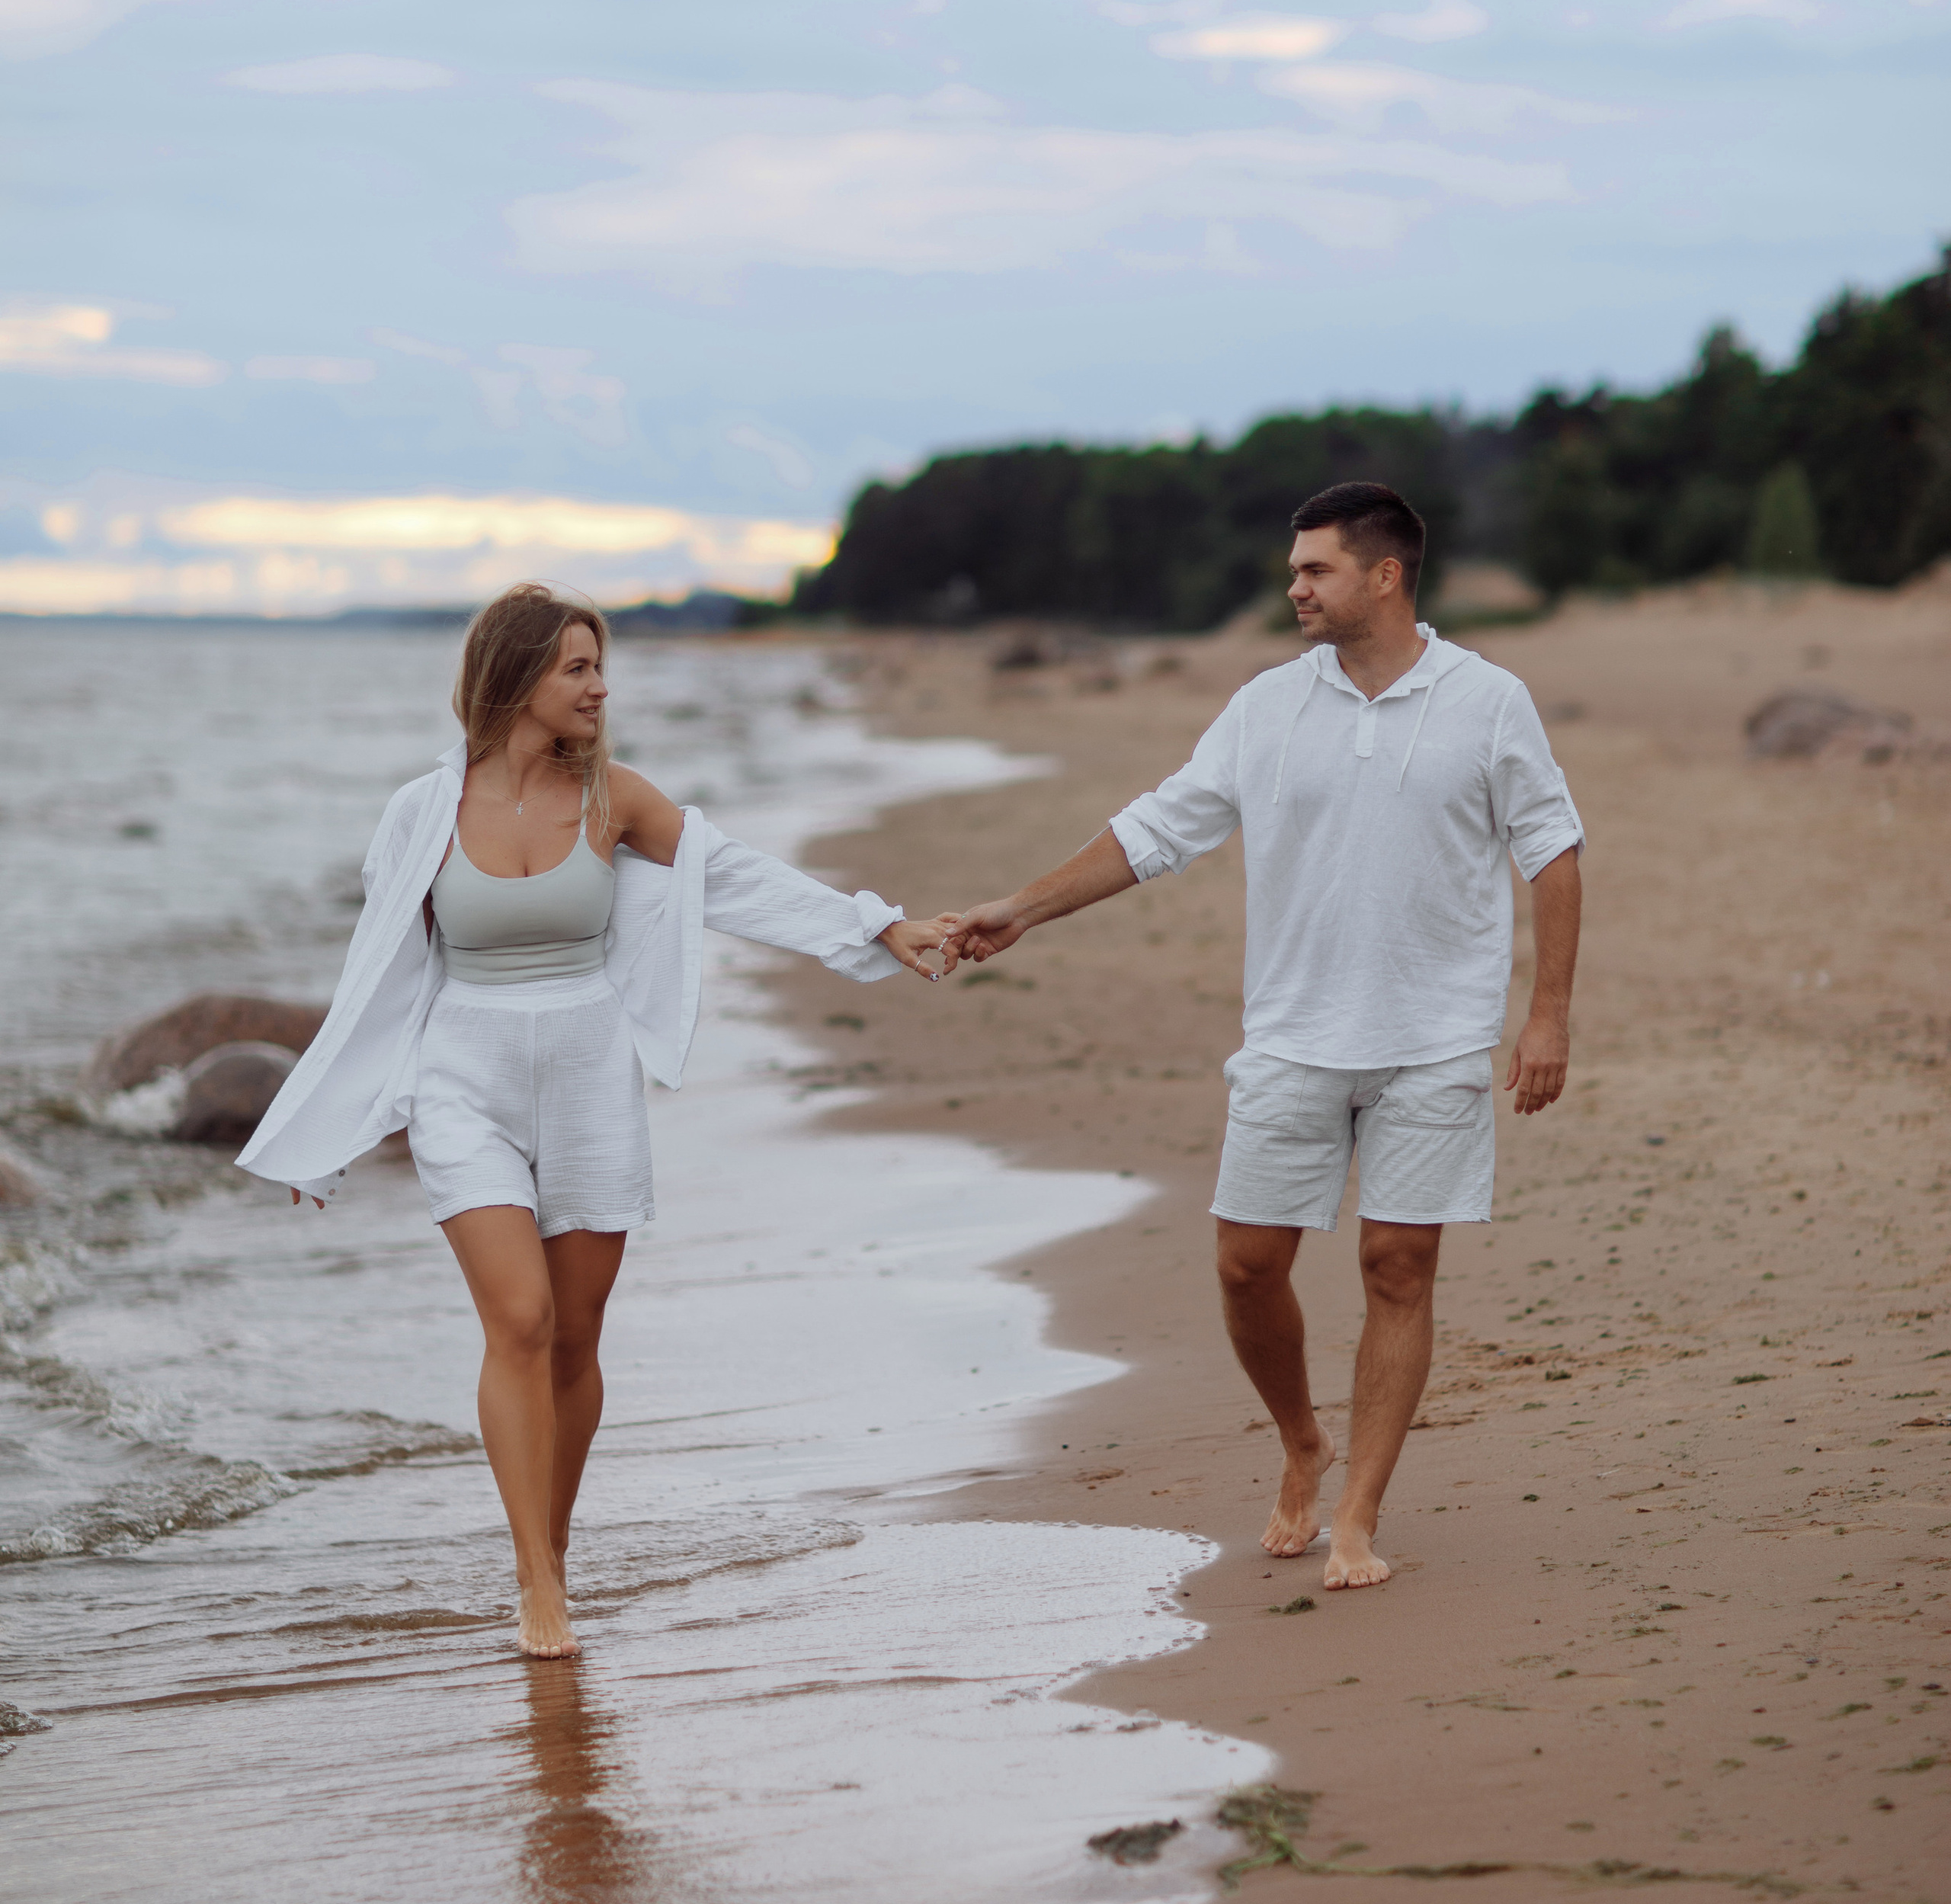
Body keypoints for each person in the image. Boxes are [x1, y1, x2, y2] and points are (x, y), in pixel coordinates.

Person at [239, 585, 952, 1659]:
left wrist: (876, 928)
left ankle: (555, 1550)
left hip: (589, 1083)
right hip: (463, 1084)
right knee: (519, 1321)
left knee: (575, 1337)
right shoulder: (421, 813)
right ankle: (534, 1580)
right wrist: (326, 1126)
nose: (599, 688)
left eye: (598, 666)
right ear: (516, 675)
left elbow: (733, 877)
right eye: (577, 668)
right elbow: (376, 977)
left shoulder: (613, 798)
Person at [941, 480, 1583, 1591]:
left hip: (1434, 1037)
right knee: (1246, 1266)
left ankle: (1358, 1514)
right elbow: (1157, 828)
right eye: (1294, 571)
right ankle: (1301, 1441)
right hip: (1293, 1033)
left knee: (1398, 1266)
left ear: (1386, 575)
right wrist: (1024, 909)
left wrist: (1549, 1017)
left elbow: (1554, 851)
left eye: (1316, 570)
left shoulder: (1488, 701)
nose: (1295, 588)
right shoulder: (1266, 707)